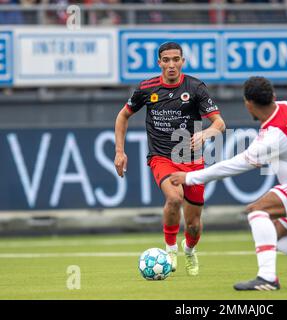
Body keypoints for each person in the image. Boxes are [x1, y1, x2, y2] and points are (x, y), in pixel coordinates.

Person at [170, 76, 287, 291]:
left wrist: (190, 177)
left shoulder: (273, 135)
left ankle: (267, 278)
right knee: (275, 234)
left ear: (248, 104)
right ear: (273, 96)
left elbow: (235, 165)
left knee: (256, 212)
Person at [114, 42, 226, 276]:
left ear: (183, 61)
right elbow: (123, 116)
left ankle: (189, 250)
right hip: (162, 156)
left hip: (191, 159)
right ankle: (170, 250)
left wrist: (206, 133)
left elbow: (220, 124)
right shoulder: (147, 88)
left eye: (176, 59)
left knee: (193, 225)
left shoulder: (195, 87)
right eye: (166, 60)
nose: (171, 64)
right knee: (174, 199)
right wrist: (119, 151)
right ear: (159, 63)